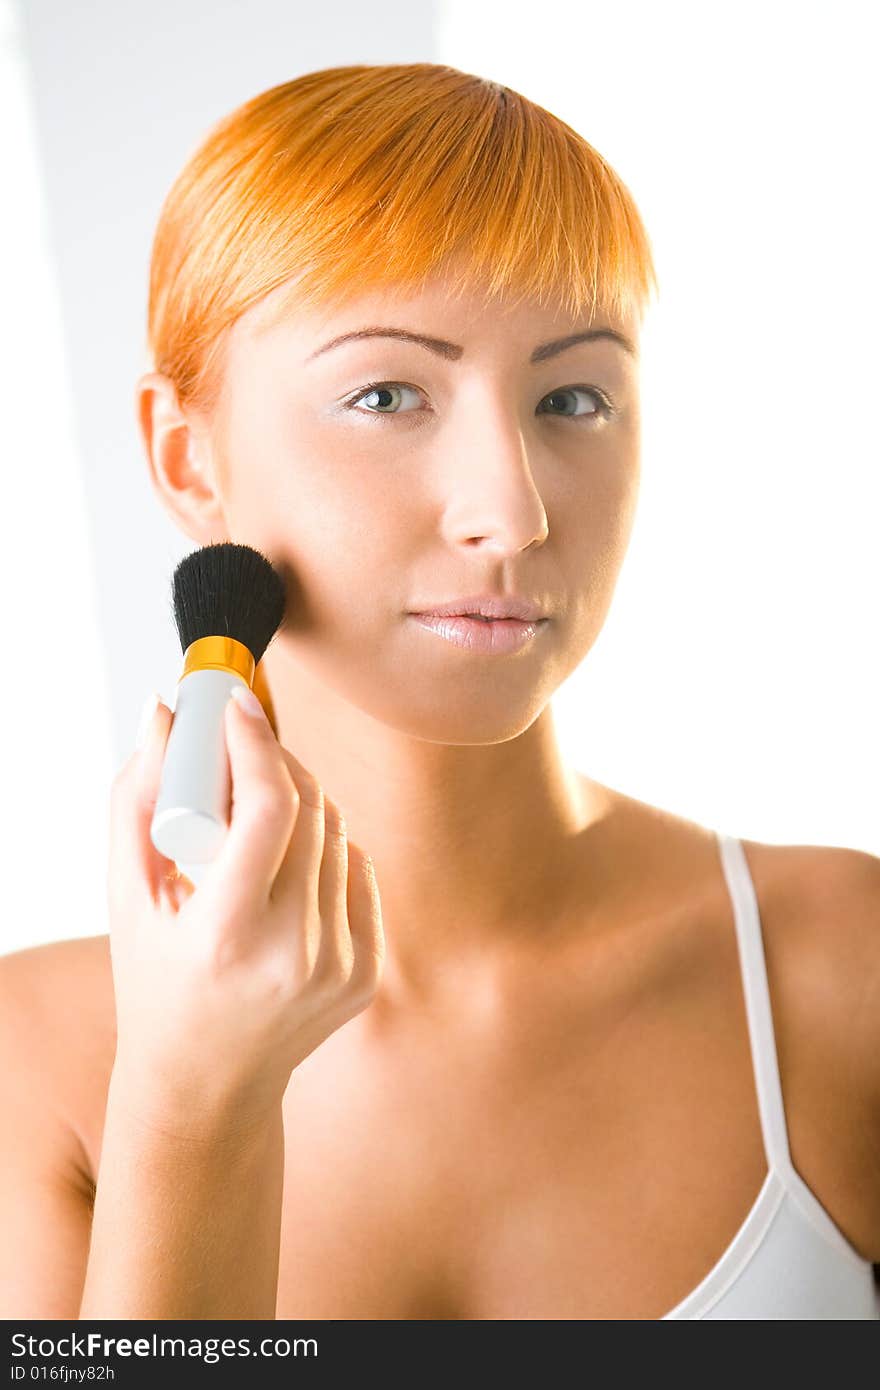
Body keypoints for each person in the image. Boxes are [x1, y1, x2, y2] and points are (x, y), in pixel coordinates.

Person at [1, 62, 878, 1322]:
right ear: (189, 460)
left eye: (572, 398)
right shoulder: (27, 1067)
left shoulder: (838, 969)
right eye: (386, 394)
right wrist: (190, 1106)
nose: (510, 512)